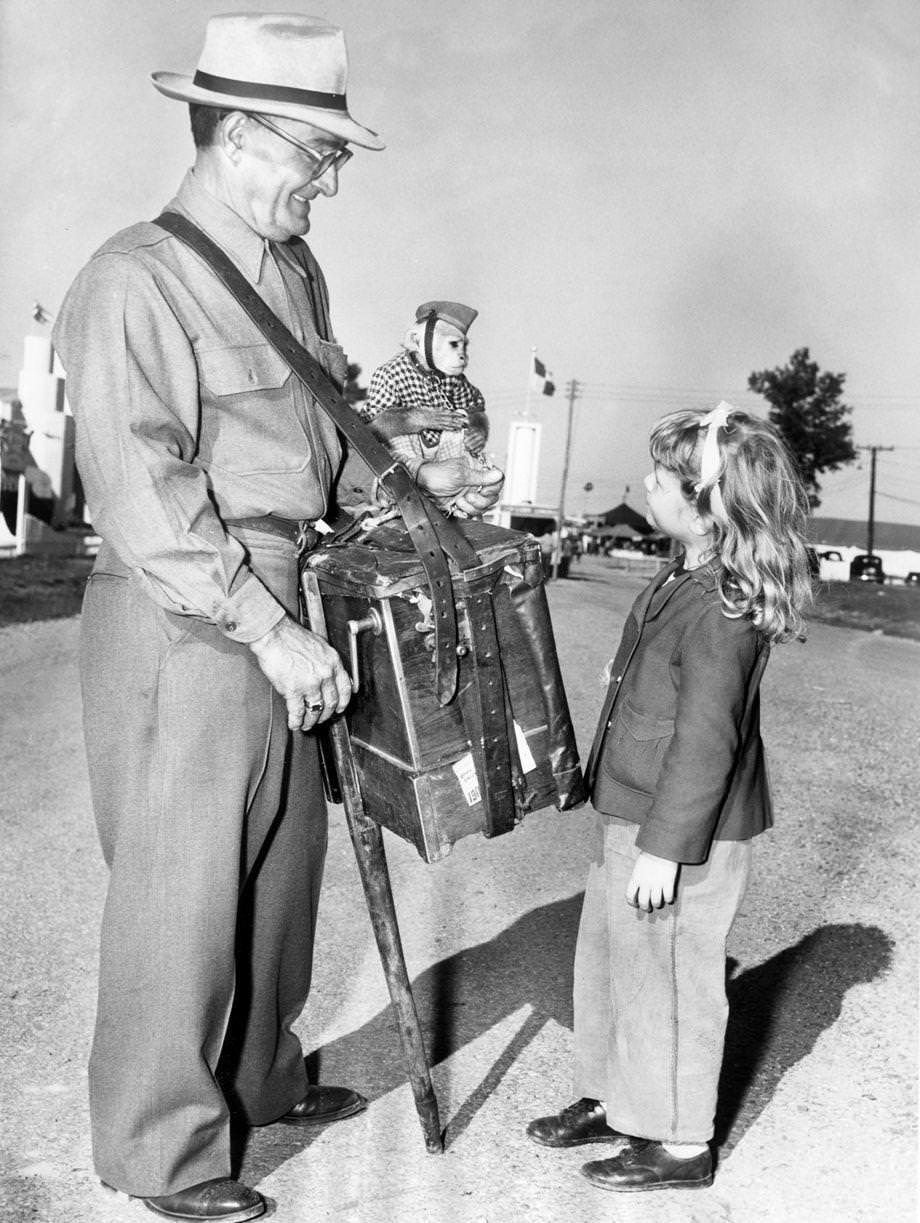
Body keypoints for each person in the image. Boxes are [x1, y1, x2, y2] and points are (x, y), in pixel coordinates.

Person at [52, 14, 501, 1223]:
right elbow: (145, 497)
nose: (332, 179)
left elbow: (324, 432)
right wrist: (265, 626)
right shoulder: (132, 280)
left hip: (279, 593)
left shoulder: (293, 271)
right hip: (186, 612)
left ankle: (256, 1074)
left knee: (279, 869)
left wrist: (416, 490)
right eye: (320, 152)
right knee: (181, 885)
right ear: (242, 136)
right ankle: (162, 1146)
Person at [526, 403, 812, 1192]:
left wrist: (665, 845)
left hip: (680, 828)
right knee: (613, 960)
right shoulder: (682, 573)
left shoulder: (723, 605)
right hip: (635, 807)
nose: (646, 485)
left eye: (660, 479)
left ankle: (679, 1139)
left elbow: (707, 740)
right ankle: (617, 1093)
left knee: (673, 980)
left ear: (707, 504)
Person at [358, 300, 503, 515]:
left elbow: (475, 409)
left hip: (444, 460)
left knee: (462, 420)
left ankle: (460, 497)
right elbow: (371, 431)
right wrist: (417, 419)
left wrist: (478, 430)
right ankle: (407, 495)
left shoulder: (454, 379)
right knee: (395, 434)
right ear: (417, 341)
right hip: (404, 462)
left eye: (465, 346)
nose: (463, 354)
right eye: (454, 344)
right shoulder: (390, 373)